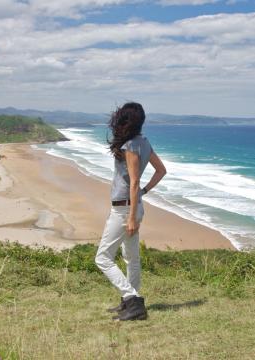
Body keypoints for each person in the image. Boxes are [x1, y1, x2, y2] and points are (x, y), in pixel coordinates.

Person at [95, 102, 167, 321]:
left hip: (125, 208)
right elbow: (161, 170)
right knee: (131, 258)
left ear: (125, 120)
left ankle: (132, 299)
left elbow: (134, 182)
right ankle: (129, 305)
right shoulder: (143, 142)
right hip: (133, 205)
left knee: (103, 257)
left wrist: (132, 216)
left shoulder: (130, 146)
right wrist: (144, 193)